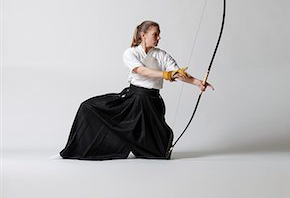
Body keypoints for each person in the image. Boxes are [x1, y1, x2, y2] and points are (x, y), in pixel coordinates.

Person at [59, 20, 213, 161]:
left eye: (159, 35)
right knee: (89, 107)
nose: (159, 38)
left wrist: (197, 82)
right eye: (155, 34)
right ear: (143, 35)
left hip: (151, 102)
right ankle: (83, 148)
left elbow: (178, 73)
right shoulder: (130, 53)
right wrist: (165, 74)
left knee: (159, 152)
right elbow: (141, 71)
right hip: (133, 99)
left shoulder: (161, 55)